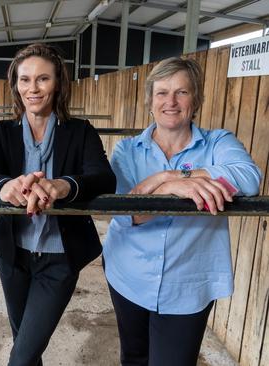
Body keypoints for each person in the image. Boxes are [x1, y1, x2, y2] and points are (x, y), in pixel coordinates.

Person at [103, 57, 261, 366]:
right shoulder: (128, 149)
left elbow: (248, 177)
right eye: (162, 93)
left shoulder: (219, 142)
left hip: (188, 284)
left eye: (182, 92)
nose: (170, 102)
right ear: (150, 101)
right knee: (134, 358)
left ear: (196, 99)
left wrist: (180, 177)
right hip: (129, 272)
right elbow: (126, 213)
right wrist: (166, 184)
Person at [0, 43, 116, 366]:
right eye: (24, 80)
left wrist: (62, 185)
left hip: (59, 258)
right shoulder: (1, 132)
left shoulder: (80, 131)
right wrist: (6, 186)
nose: (33, 88)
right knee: (25, 345)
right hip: (13, 256)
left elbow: (103, 177)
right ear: (15, 85)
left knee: (22, 356)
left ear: (58, 84)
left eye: (42, 79)